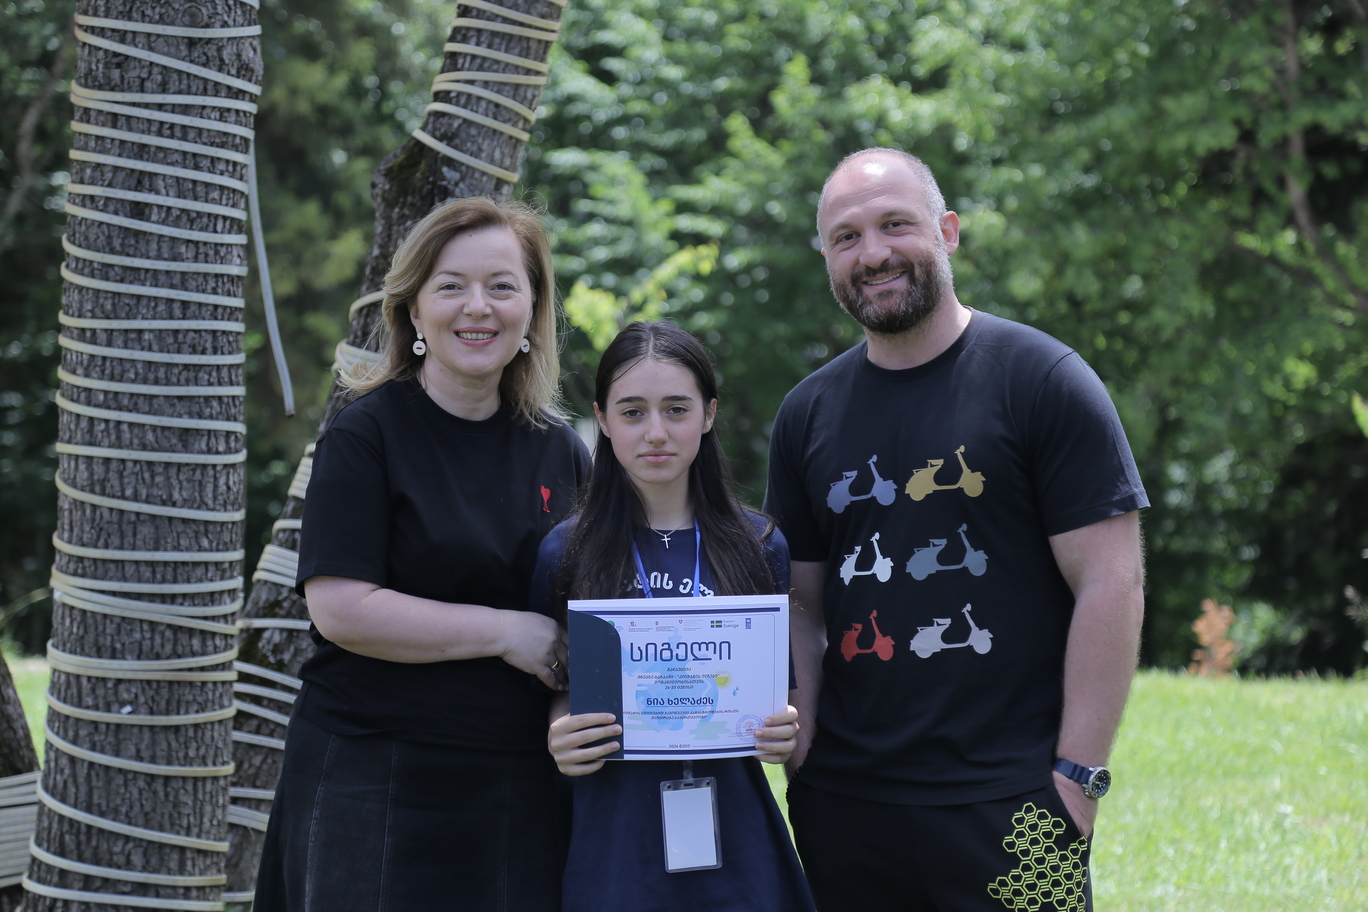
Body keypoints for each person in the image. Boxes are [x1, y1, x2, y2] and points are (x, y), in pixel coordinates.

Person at [763, 148, 1149, 912]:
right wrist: (804, 757)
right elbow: (800, 606)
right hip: (845, 810)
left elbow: (1112, 581)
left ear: (948, 231)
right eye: (846, 237)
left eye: (895, 225)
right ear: (827, 258)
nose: (873, 253)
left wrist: (1078, 780)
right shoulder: (805, 413)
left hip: (1022, 806)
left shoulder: (1043, 380)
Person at [254, 197, 591, 912]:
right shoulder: (363, 435)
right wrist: (506, 632)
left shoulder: (561, 451)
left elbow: (592, 611)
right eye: (451, 286)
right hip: (371, 776)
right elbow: (342, 610)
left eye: (502, 286)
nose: (478, 307)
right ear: (413, 310)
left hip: (518, 784)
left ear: (533, 309)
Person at [532, 320, 816, 912]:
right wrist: (562, 731)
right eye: (632, 412)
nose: (656, 432)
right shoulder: (566, 550)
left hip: (735, 839)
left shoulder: (760, 545)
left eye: (677, 409)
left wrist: (782, 728)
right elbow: (556, 692)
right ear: (602, 419)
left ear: (709, 414)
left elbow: (779, 700)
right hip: (616, 839)